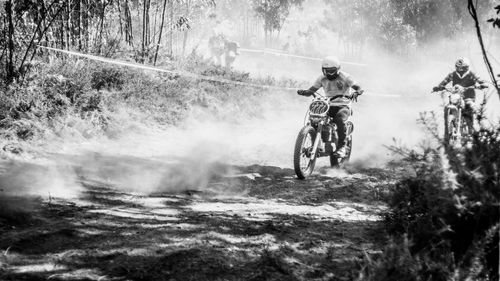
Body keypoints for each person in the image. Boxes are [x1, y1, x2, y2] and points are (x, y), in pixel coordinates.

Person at [297, 56, 364, 157]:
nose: (329, 73)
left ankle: (342, 147)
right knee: (315, 119)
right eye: (326, 71)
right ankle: (318, 145)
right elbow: (311, 90)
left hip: (343, 105)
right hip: (329, 104)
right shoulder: (321, 78)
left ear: (338, 69)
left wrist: (356, 92)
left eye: (332, 71)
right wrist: (305, 92)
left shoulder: (346, 77)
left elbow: (359, 88)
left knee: (339, 120)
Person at [432, 57, 488, 135]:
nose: (460, 69)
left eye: (462, 68)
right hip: (456, 96)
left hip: (468, 97)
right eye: (458, 67)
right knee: (447, 107)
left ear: (466, 67)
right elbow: (444, 82)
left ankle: (481, 129)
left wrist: (482, 85)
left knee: (472, 107)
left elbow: (480, 80)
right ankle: (447, 132)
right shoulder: (452, 74)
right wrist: (438, 87)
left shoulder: (472, 74)